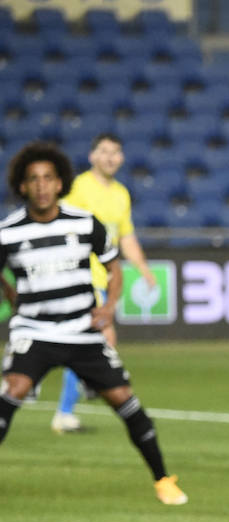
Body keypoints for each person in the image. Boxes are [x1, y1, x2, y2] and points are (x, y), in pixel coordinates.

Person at [0, 142, 187, 505]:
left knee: (124, 400)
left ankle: (163, 479)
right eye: (33, 180)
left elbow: (114, 267)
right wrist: (8, 291)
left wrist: (110, 305)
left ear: (59, 183)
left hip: (81, 329)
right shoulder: (8, 231)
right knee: (14, 389)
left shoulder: (84, 223)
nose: (41, 186)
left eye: (48, 178)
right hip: (34, 331)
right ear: (22, 186)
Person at [50, 133, 160, 434]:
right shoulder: (79, 188)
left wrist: (144, 269)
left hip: (103, 278)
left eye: (115, 152)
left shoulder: (121, 194)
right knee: (98, 341)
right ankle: (78, 396)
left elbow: (126, 236)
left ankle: (74, 398)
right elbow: (58, 223)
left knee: (90, 342)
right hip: (80, 277)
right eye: (104, 151)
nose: (110, 157)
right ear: (92, 156)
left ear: (121, 158)